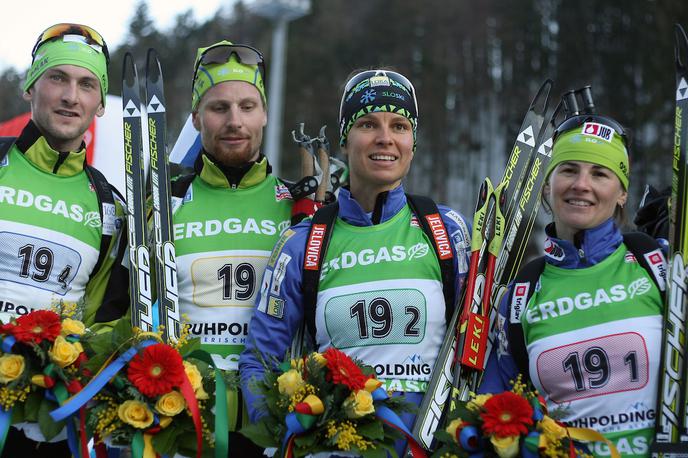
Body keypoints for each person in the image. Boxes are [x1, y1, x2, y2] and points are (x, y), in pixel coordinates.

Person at [239, 69, 472, 452]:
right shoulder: (303, 242)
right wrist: (294, 435)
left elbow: (481, 351)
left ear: (413, 142)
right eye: (368, 124)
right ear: (345, 141)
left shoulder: (447, 230)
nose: (385, 138)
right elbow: (260, 361)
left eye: (399, 125)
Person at [479, 110, 665, 457]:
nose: (581, 184)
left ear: (622, 192)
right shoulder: (522, 294)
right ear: (548, 185)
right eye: (568, 169)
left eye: (599, 173)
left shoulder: (657, 266)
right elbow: (498, 405)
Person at [0, 23, 127, 456]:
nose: (72, 96)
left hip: (49, 417)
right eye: (58, 78)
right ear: (30, 87)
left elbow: (103, 316)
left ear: (100, 103)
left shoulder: (109, 205)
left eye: (87, 84)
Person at [172, 40, 293, 455]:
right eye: (218, 107)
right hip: (186, 423)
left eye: (247, 106)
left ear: (265, 114)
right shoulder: (164, 204)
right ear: (197, 117)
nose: (234, 121)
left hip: (273, 425)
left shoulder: (298, 207)